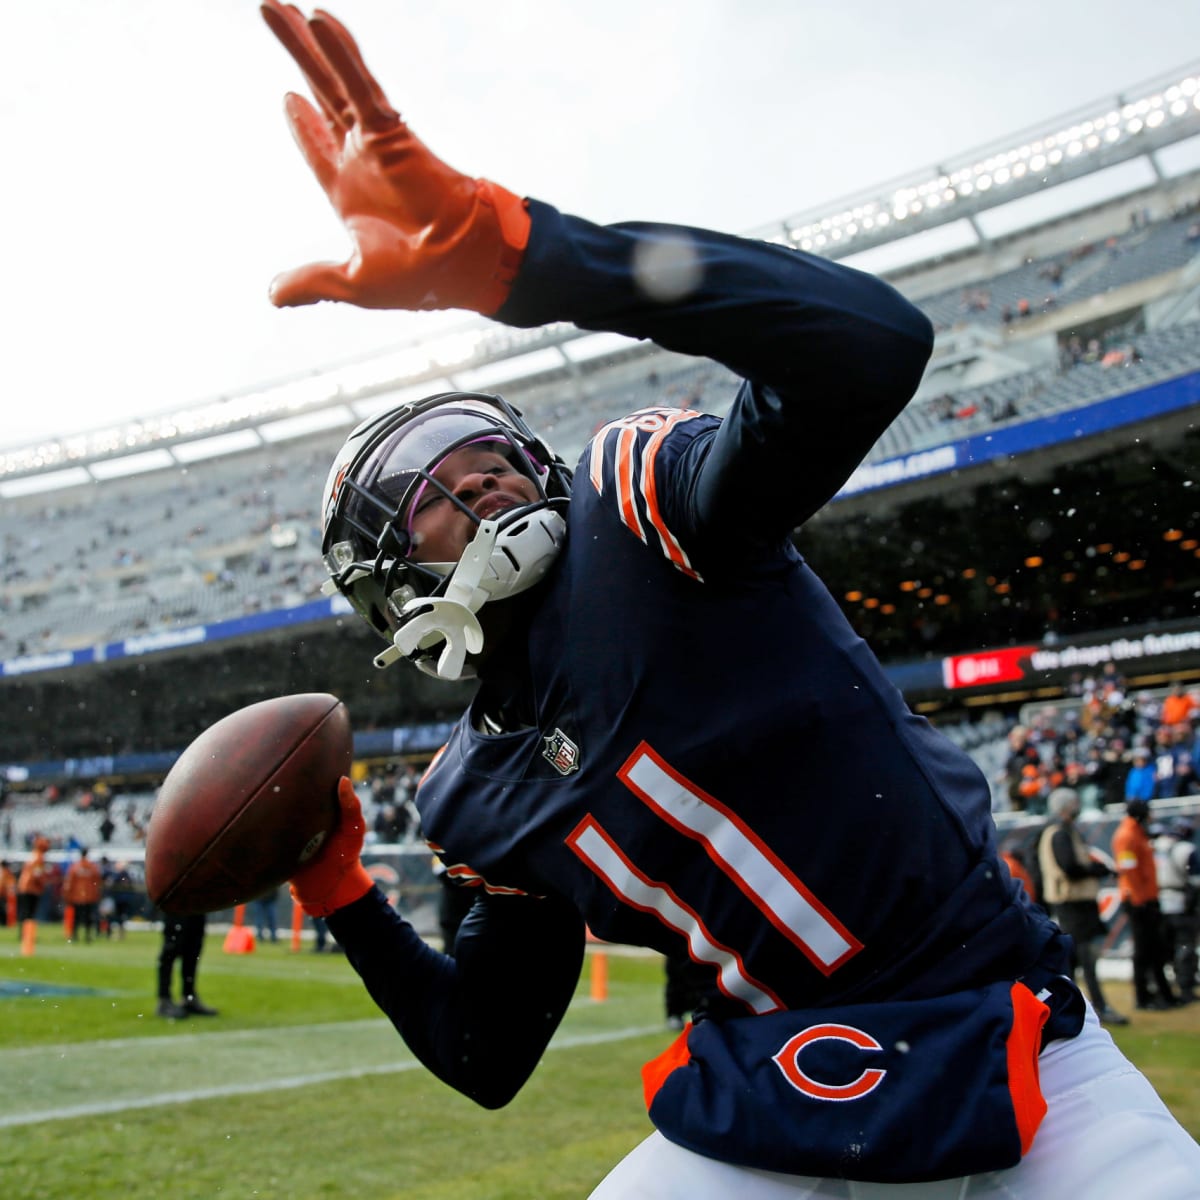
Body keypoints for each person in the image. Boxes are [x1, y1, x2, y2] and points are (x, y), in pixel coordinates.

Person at [260, 4, 1200, 1194]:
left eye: (486, 448)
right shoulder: (472, 800)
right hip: (780, 1093)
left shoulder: (644, 514)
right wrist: (342, 892)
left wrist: (527, 256)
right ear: (380, 577)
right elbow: (483, 1051)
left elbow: (870, 342)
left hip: (1020, 1037)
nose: (480, 470)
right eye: (427, 488)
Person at [1036, 788, 1127, 1025]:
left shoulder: (1061, 831)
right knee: (1085, 957)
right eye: (1075, 803)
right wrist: (1096, 870)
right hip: (1072, 904)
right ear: (1067, 807)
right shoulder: (1058, 833)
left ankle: (1078, 1007)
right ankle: (1096, 1007)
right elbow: (1070, 868)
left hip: (1074, 903)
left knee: (1076, 958)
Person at [1112, 800, 1178, 1011]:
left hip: (1145, 898)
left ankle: (1161, 993)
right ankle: (1143, 997)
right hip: (1138, 901)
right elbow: (1128, 871)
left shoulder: (1136, 833)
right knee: (1143, 951)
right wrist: (1140, 901)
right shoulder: (1127, 836)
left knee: (1155, 948)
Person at [1153, 816, 1199, 1003]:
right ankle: (1186, 987)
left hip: (1157, 902)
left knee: (1163, 948)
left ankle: (1160, 986)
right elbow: (1196, 881)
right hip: (1180, 903)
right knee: (1185, 946)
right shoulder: (1186, 849)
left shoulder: (1154, 845)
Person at [156, 914, 218, 1020]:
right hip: (176, 904)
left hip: (196, 904)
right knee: (171, 948)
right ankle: (164, 1000)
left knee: (193, 949)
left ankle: (189, 997)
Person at [61, 847, 104, 943]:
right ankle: (87, 936)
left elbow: (69, 883)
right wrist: (97, 895)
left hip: (76, 897)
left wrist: (67, 895)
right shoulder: (92, 867)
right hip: (90, 897)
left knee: (76, 917)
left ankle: (74, 935)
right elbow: (98, 883)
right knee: (89, 917)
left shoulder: (75, 867)